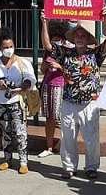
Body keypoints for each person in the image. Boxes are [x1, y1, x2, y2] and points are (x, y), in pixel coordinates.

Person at [41, 7, 106, 180]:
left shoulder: (95, 54)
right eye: (77, 35)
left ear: (88, 39)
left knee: (91, 138)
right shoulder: (65, 53)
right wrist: (44, 22)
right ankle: (68, 167)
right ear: (73, 38)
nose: (80, 38)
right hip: (69, 101)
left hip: (90, 102)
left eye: (83, 36)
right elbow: (47, 46)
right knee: (68, 137)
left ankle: (91, 167)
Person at [0, 29, 36, 174]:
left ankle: (23, 161)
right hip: (1, 102)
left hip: (17, 101)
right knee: (5, 132)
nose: (8, 50)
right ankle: (7, 159)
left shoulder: (22, 62)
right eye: (5, 47)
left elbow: (31, 79)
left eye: (10, 46)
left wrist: (23, 85)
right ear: (0, 48)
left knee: (20, 132)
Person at [38, 20, 69, 158]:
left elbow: (71, 70)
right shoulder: (48, 51)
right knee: (49, 117)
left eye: (58, 39)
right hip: (48, 84)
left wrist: (59, 66)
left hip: (61, 84)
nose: (55, 42)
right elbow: (42, 69)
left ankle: (64, 143)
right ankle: (49, 147)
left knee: (61, 118)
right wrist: (47, 64)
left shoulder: (68, 49)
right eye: (53, 39)